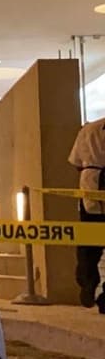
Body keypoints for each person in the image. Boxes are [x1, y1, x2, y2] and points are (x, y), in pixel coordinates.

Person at [68, 117, 105, 312]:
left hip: (90, 182)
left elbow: (75, 161)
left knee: (88, 242)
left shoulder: (89, 130)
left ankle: (87, 279)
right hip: (93, 182)